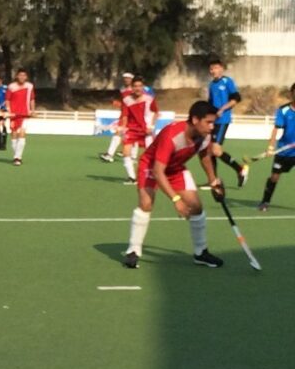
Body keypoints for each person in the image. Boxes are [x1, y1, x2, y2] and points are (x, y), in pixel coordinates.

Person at [123, 100, 225, 269]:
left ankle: (201, 253)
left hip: (175, 169)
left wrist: (213, 180)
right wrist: (176, 199)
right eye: (209, 122)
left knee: (196, 207)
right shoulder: (172, 136)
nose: (212, 127)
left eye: (213, 122)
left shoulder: (205, 136)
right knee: (146, 204)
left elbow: (205, 156)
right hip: (152, 166)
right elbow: (158, 172)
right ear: (195, 120)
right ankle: (133, 250)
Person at [206, 58, 249, 187]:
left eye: (214, 68)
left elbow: (236, 98)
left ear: (221, 68)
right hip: (214, 121)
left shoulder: (227, 81)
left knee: (216, 150)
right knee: (209, 150)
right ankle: (213, 180)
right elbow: (210, 103)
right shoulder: (211, 85)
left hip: (223, 120)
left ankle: (240, 169)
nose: (212, 71)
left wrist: (222, 109)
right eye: (211, 68)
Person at [99, 72, 156, 163]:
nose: (126, 80)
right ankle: (129, 156)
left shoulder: (138, 90)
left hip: (134, 116)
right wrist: (119, 105)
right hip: (127, 115)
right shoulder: (123, 90)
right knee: (126, 134)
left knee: (122, 133)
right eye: (125, 78)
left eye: (128, 78)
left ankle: (111, 155)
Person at [258, 82, 295, 211]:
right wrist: (270, 147)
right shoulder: (283, 110)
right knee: (274, 177)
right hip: (284, 150)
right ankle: (265, 201)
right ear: (291, 94)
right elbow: (276, 129)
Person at [119, 75, 158, 184]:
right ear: (131, 87)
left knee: (150, 154)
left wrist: (151, 126)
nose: (138, 88)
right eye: (135, 86)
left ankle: (152, 175)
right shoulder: (126, 100)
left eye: (140, 86)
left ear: (143, 87)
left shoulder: (149, 99)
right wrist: (123, 127)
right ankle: (132, 178)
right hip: (132, 129)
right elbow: (125, 115)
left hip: (146, 130)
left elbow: (156, 112)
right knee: (126, 152)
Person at [5, 68, 35, 166]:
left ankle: (17, 158)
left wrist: (32, 110)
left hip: (25, 114)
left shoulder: (30, 86)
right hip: (13, 114)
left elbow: (32, 99)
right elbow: (7, 100)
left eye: (24, 75)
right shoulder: (11, 87)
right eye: (20, 75)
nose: (22, 77)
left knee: (22, 134)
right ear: (17, 76)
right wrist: (9, 111)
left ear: (26, 77)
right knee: (14, 135)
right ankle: (16, 156)